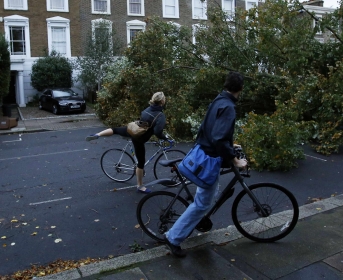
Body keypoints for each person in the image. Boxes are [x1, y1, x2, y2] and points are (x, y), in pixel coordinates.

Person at [164, 71, 247, 257]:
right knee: (202, 204)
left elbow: (208, 130)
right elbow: (218, 138)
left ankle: (191, 224)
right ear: (241, 89)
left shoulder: (218, 100)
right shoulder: (229, 107)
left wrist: (230, 144)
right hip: (210, 159)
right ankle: (173, 238)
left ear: (226, 85)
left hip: (202, 153)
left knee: (206, 197)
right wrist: (235, 159)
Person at [85, 92, 170, 194]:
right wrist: (165, 138)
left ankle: (97, 134)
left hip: (132, 130)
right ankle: (140, 186)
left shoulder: (147, 110)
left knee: (115, 130)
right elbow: (157, 132)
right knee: (141, 164)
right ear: (162, 101)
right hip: (139, 138)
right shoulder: (160, 115)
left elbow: (143, 121)